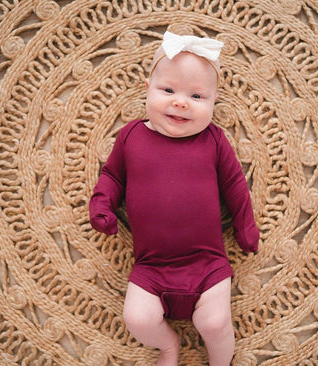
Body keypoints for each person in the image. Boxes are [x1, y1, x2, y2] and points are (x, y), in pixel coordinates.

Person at [88, 31, 259, 366]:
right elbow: (111, 176)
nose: (180, 102)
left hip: (207, 264)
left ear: (214, 102)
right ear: (147, 89)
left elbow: (235, 185)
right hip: (151, 268)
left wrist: (245, 228)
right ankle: (168, 345)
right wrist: (102, 205)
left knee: (214, 323)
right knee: (137, 319)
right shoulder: (131, 136)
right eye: (168, 90)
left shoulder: (213, 139)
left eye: (197, 96)